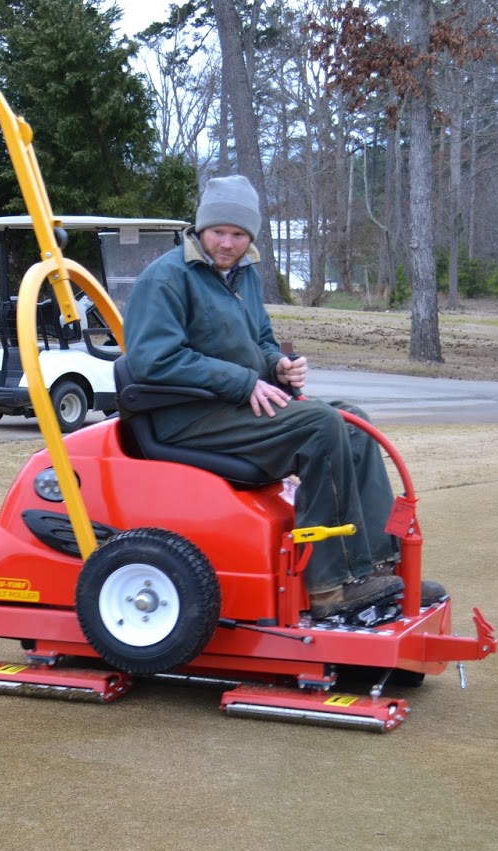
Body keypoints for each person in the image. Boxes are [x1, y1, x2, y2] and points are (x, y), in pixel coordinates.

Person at [122, 175, 442, 620]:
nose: (227, 243)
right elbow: (153, 360)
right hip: (187, 417)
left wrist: (278, 367)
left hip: (237, 406)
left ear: (250, 236)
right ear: (200, 228)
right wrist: (244, 381)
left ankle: (378, 566)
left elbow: (262, 339)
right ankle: (331, 584)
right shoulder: (168, 278)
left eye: (238, 234)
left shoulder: (244, 275)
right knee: (322, 426)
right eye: (218, 232)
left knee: (353, 422)